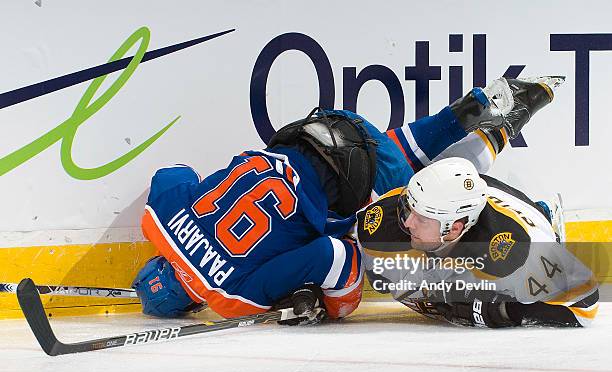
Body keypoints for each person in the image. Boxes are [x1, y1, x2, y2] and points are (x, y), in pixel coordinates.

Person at [131, 76, 563, 324]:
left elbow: (335, 257)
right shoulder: (158, 216)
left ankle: (533, 199)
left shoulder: (227, 298)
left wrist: (334, 307)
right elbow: (173, 172)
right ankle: (480, 111)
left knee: (423, 194)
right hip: (323, 129)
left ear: (192, 303)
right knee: (394, 157)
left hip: (353, 178)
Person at [357, 157, 599, 328]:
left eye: (421, 218)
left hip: (513, 229)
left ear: (453, 228)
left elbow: (585, 304)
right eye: (409, 207)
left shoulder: (515, 251)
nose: (407, 222)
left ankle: (544, 214)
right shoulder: (382, 224)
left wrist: (503, 311)